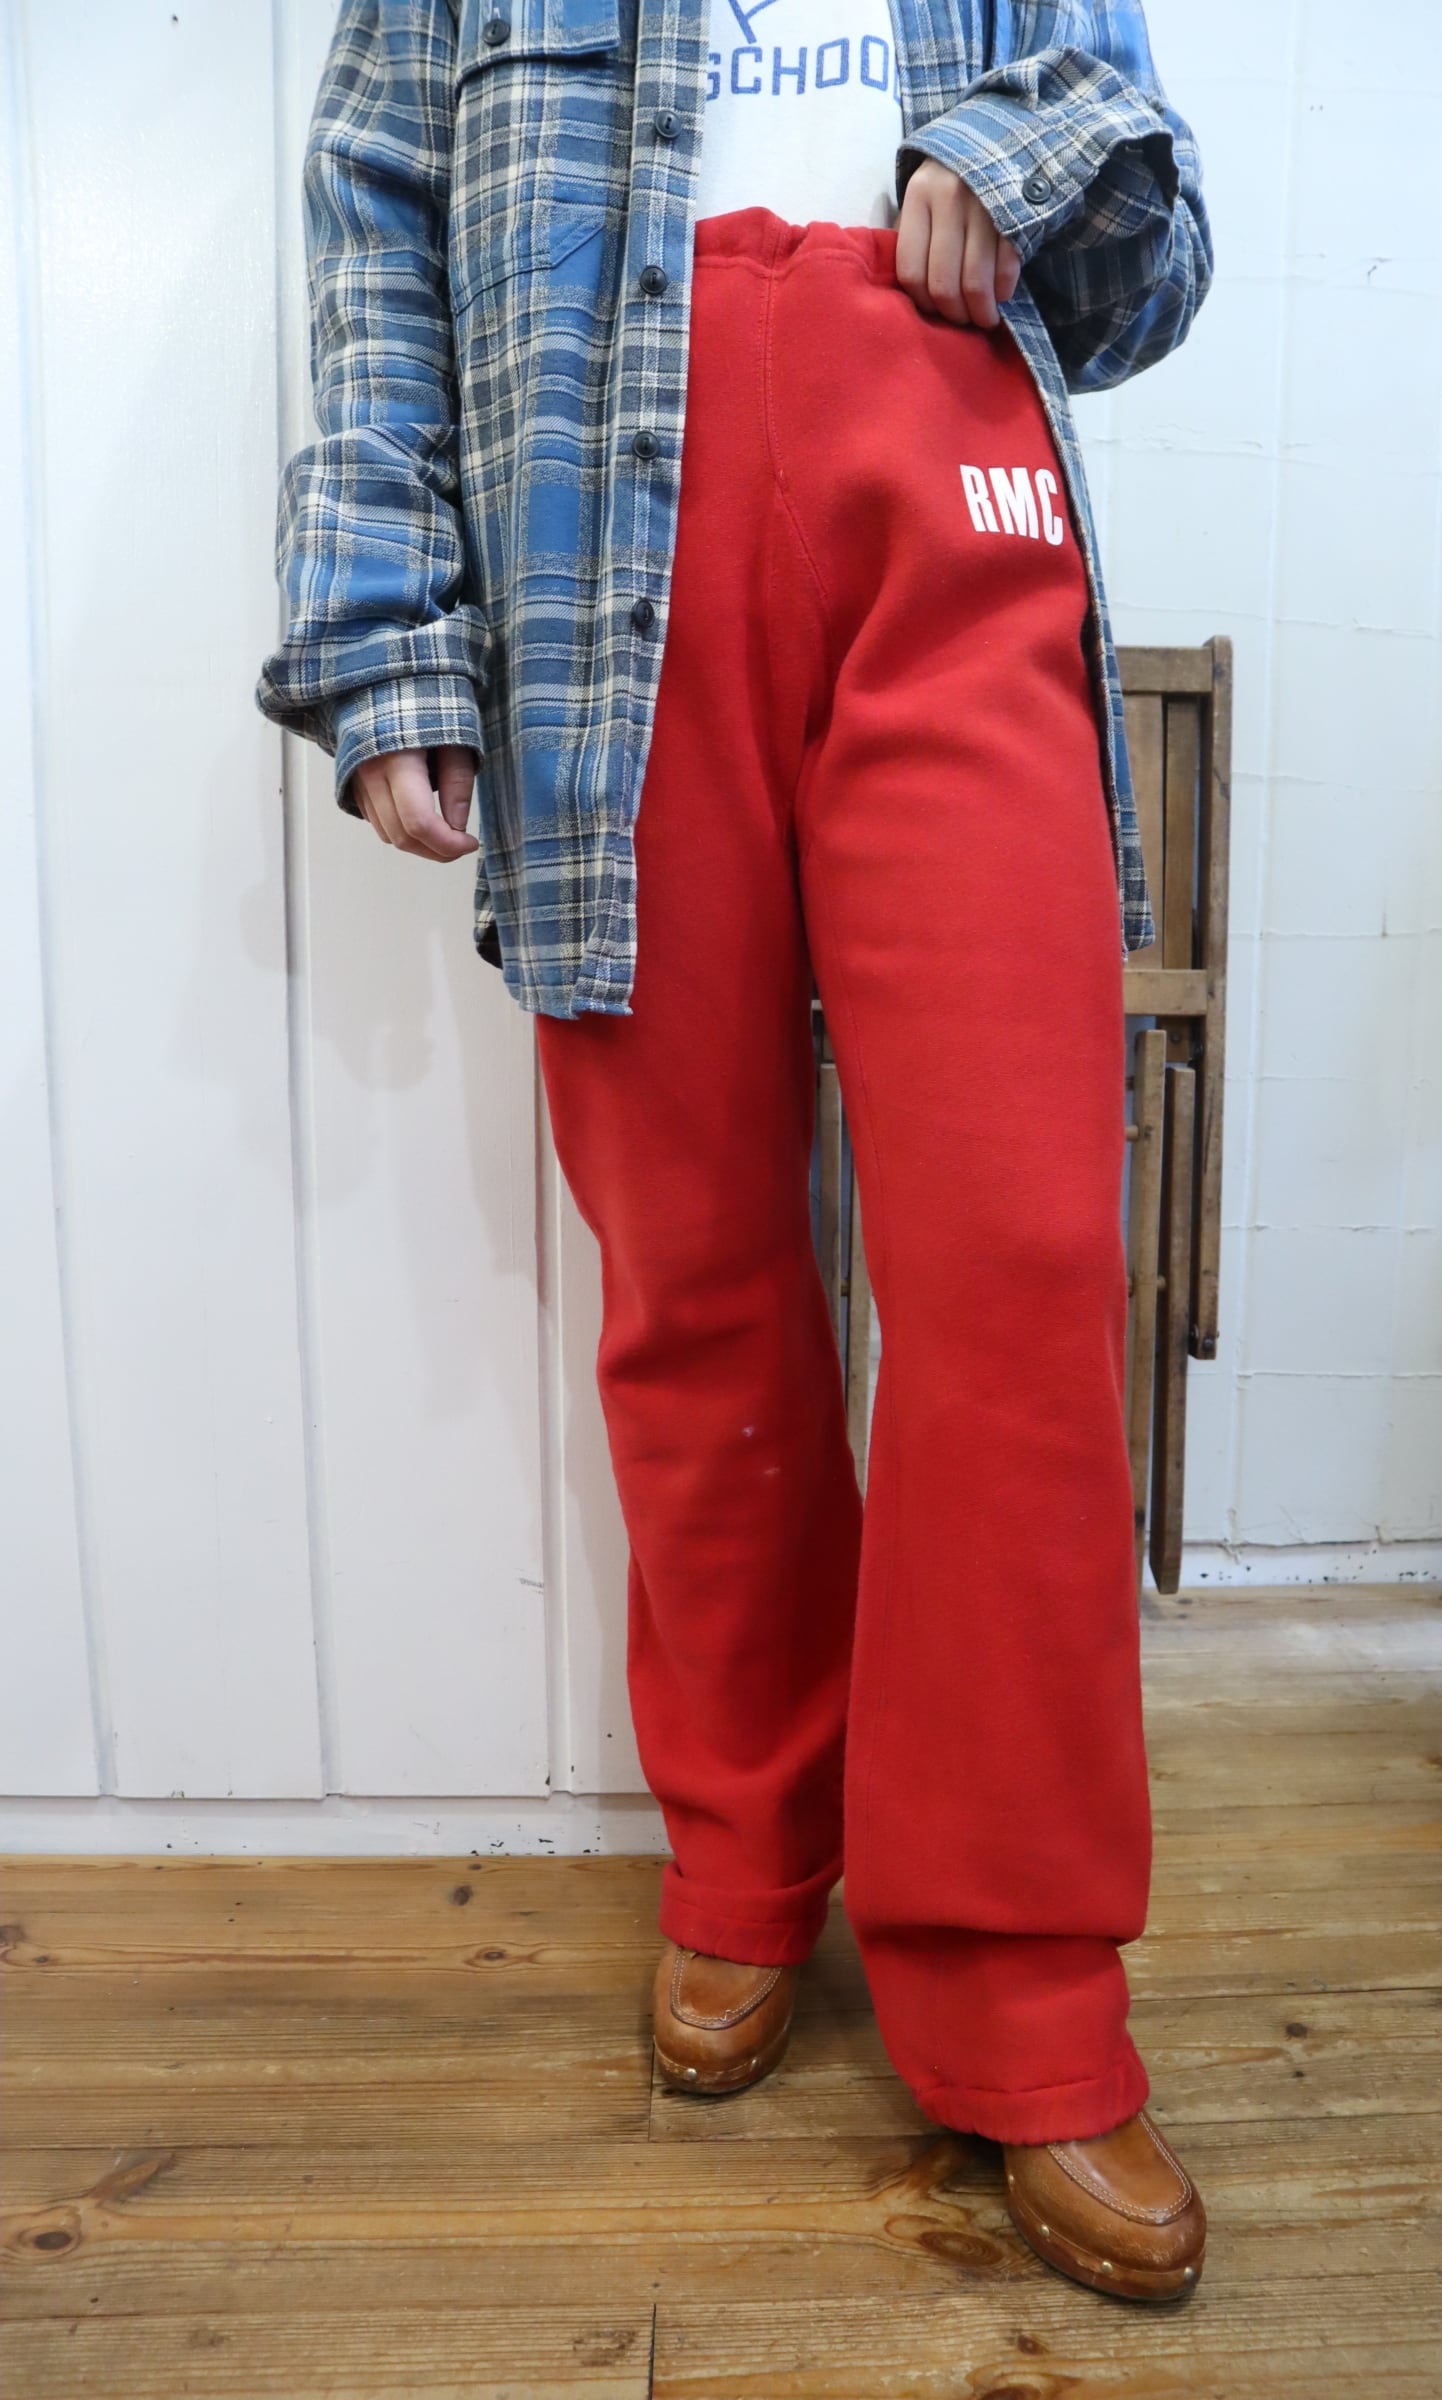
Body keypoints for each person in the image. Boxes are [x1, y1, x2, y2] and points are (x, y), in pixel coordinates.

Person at [257, 0, 1214, 2302]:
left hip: (944, 498)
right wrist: (383, 638)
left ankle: (1016, 1979)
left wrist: (1023, 150)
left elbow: (1152, 260)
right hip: (592, 568)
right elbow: (377, 227)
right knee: (692, 1275)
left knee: (1011, 1273)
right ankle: (748, 1852)